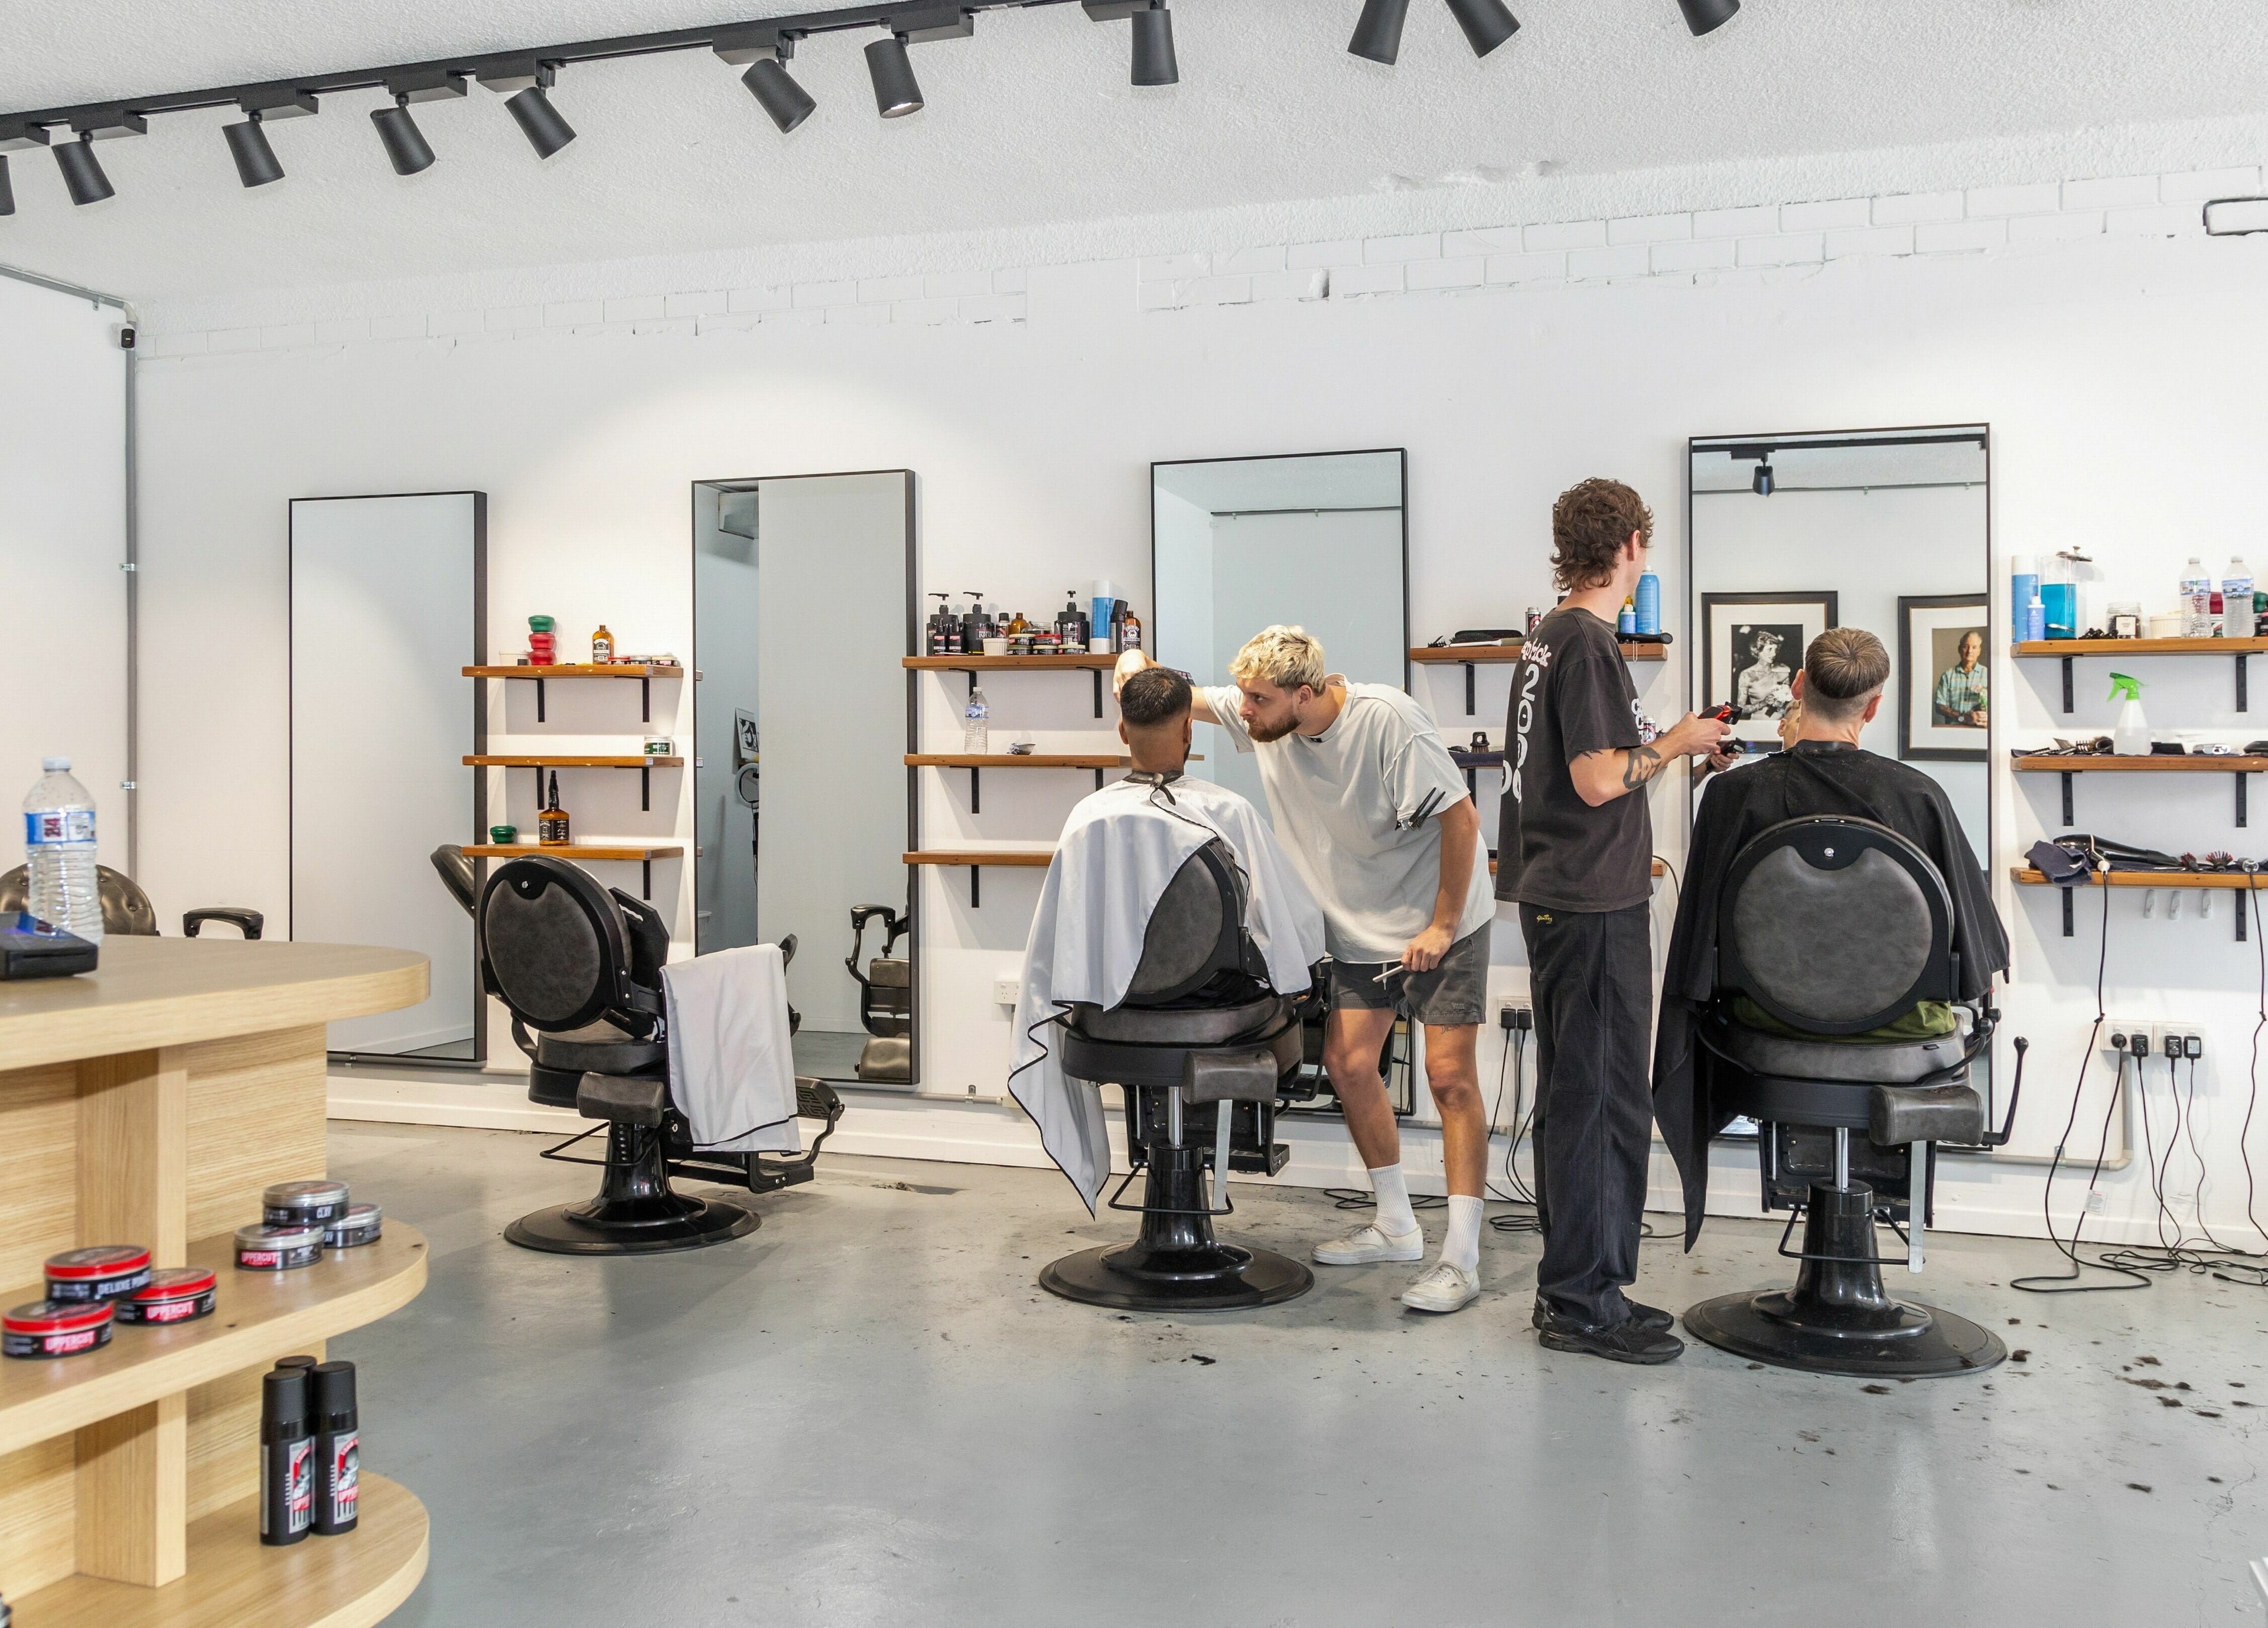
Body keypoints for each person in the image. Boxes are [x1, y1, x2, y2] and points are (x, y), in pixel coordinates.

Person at [1116, 628, 1497, 1313]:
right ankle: (1396, 1223)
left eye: (1259, 700)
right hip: (1359, 923)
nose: (1245, 712)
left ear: (1306, 692)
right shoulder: (1266, 712)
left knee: (1449, 1078)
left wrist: (1441, 926)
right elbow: (1161, 688)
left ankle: (1461, 1257)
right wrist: (1129, 662)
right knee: (1352, 1067)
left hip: (1441, 914)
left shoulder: (1388, 720)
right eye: (1246, 697)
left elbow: (1462, 820)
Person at [1652, 627, 2009, 1247]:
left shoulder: (1734, 794)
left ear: (1797, 686)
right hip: (1900, 1036)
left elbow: (1695, 953)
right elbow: (1979, 960)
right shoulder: (1919, 795)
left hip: (1767, 1029)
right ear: (1873, 707)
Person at [1497, 478, 1731, 1365]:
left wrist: (1663, 759)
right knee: (1600, 1101)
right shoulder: (1588, 643)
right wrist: (1676, 744)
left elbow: (1572, 779)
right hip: (1590, 906)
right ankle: (1583, 1304)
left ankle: (1578, 1287)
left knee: (1578, 1097)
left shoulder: (1546, 639)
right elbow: (1598, 779)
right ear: (1632, 543)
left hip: (1569, 891)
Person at [1007, 665, 1325, 1213]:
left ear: (1123, 731)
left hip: (1113, 1012)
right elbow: (1290, 927)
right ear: (1188, 732)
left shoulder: (1089, 820)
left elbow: (1055, 949)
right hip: (1220, 1015)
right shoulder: (1229, 813)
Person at [1732, 629, 1794, 719]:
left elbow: (1790, 704)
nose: (1774, 654)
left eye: (1776, 650)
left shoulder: (1782, 671)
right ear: (1758, 651)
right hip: (1758, 722)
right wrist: (1763, 703)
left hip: (1781, 723)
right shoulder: (1747, 675)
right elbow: (1740, 710)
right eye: (1770, 649)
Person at [1933, 629, 1989, 727]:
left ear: (1979, 651)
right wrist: (1963, 717)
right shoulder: (1947, 676)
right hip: (1954, 731)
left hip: (1981, 731)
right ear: (1959, 649)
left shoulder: (1989, 675)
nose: (1970, 651)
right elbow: (1939, 706)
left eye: (1974, 647)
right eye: (1966, 646)